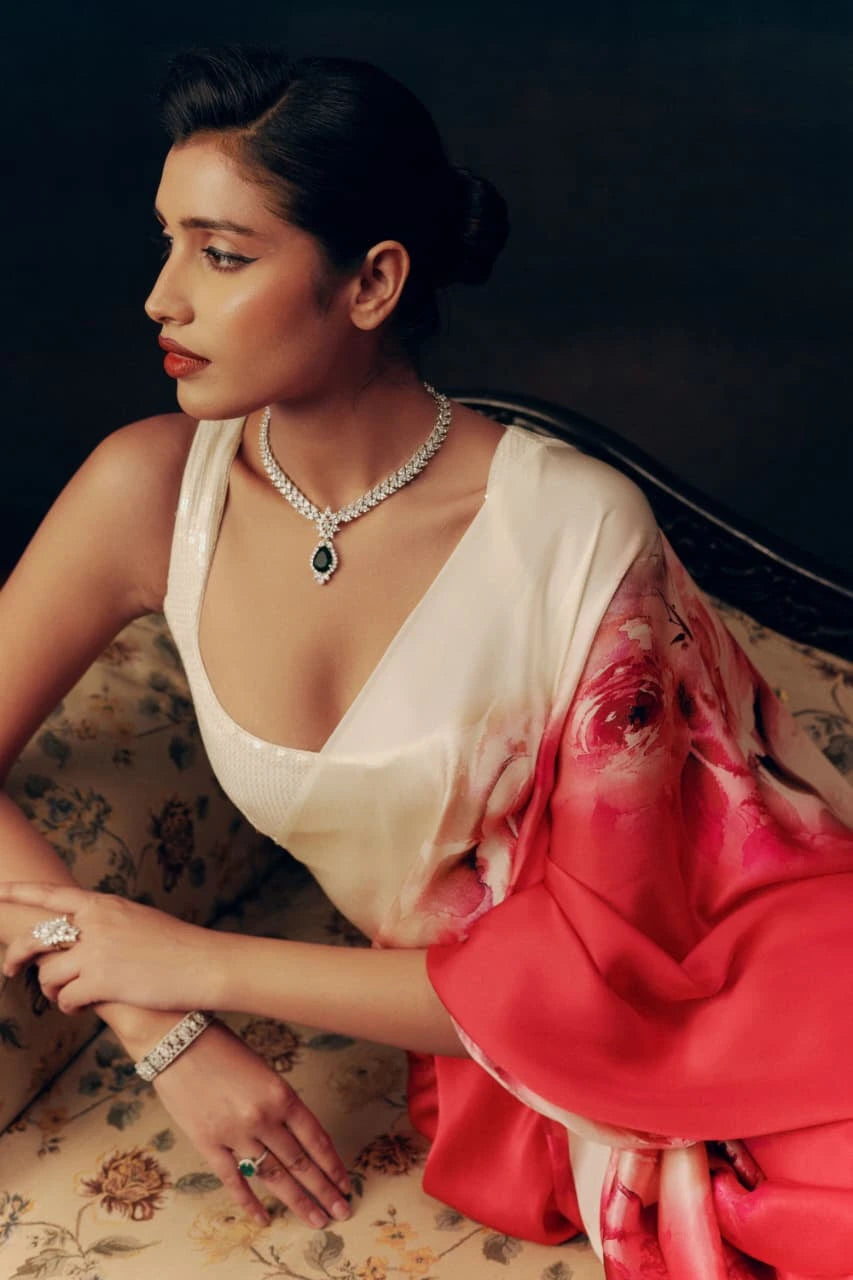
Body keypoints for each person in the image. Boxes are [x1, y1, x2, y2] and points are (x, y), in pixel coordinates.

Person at [1, 43, 852, 1278]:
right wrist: (166, 1026)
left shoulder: (569, 527)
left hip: (712, 994)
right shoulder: (148, 491)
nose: (161, 298)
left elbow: (614, 967)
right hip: (501, 1058)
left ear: (372, 281)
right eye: (167, 241)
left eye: (223, 254)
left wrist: (189, 957)